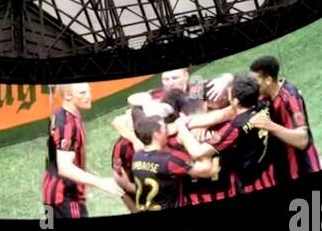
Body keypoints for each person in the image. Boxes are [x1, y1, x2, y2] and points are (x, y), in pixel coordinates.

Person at [41, 83, 127, 219]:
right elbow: (65, 168)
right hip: (64, 197)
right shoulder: (67, 125)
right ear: (68, 96)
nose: (89, 97)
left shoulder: (66, 115)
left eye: (88, 92)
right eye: (82, 93)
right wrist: (101, 182)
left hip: (52, 192)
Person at [249, 55, 321, 186]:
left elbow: (303, 140)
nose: (253, 86)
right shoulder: (264, 97)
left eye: (256, 82)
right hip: (282, 171)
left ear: (269, 80)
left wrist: (270, 126)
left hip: (303, 168)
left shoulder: (289, 98)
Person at [129, 112, 218, 213]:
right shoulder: (170, 160)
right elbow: (208, 171)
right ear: (156, 135)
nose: (168, 130)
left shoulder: (137, 156)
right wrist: (212, 151)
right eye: (164, 128)